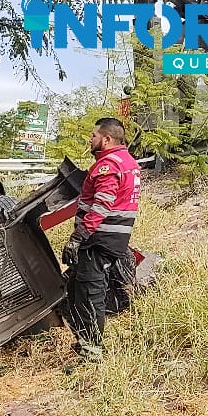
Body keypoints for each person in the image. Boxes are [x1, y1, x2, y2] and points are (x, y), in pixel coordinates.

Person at [61, 117, 141, 366]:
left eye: (94, 135)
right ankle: (85, 341)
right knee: (76, 288)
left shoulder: (108, 165)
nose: (90, 139)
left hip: (99, 238)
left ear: (106, 139)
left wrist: (78, 237)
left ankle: (92, 351)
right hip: (112, 237)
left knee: (89, 292)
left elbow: (101, 205)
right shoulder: (128, 162)